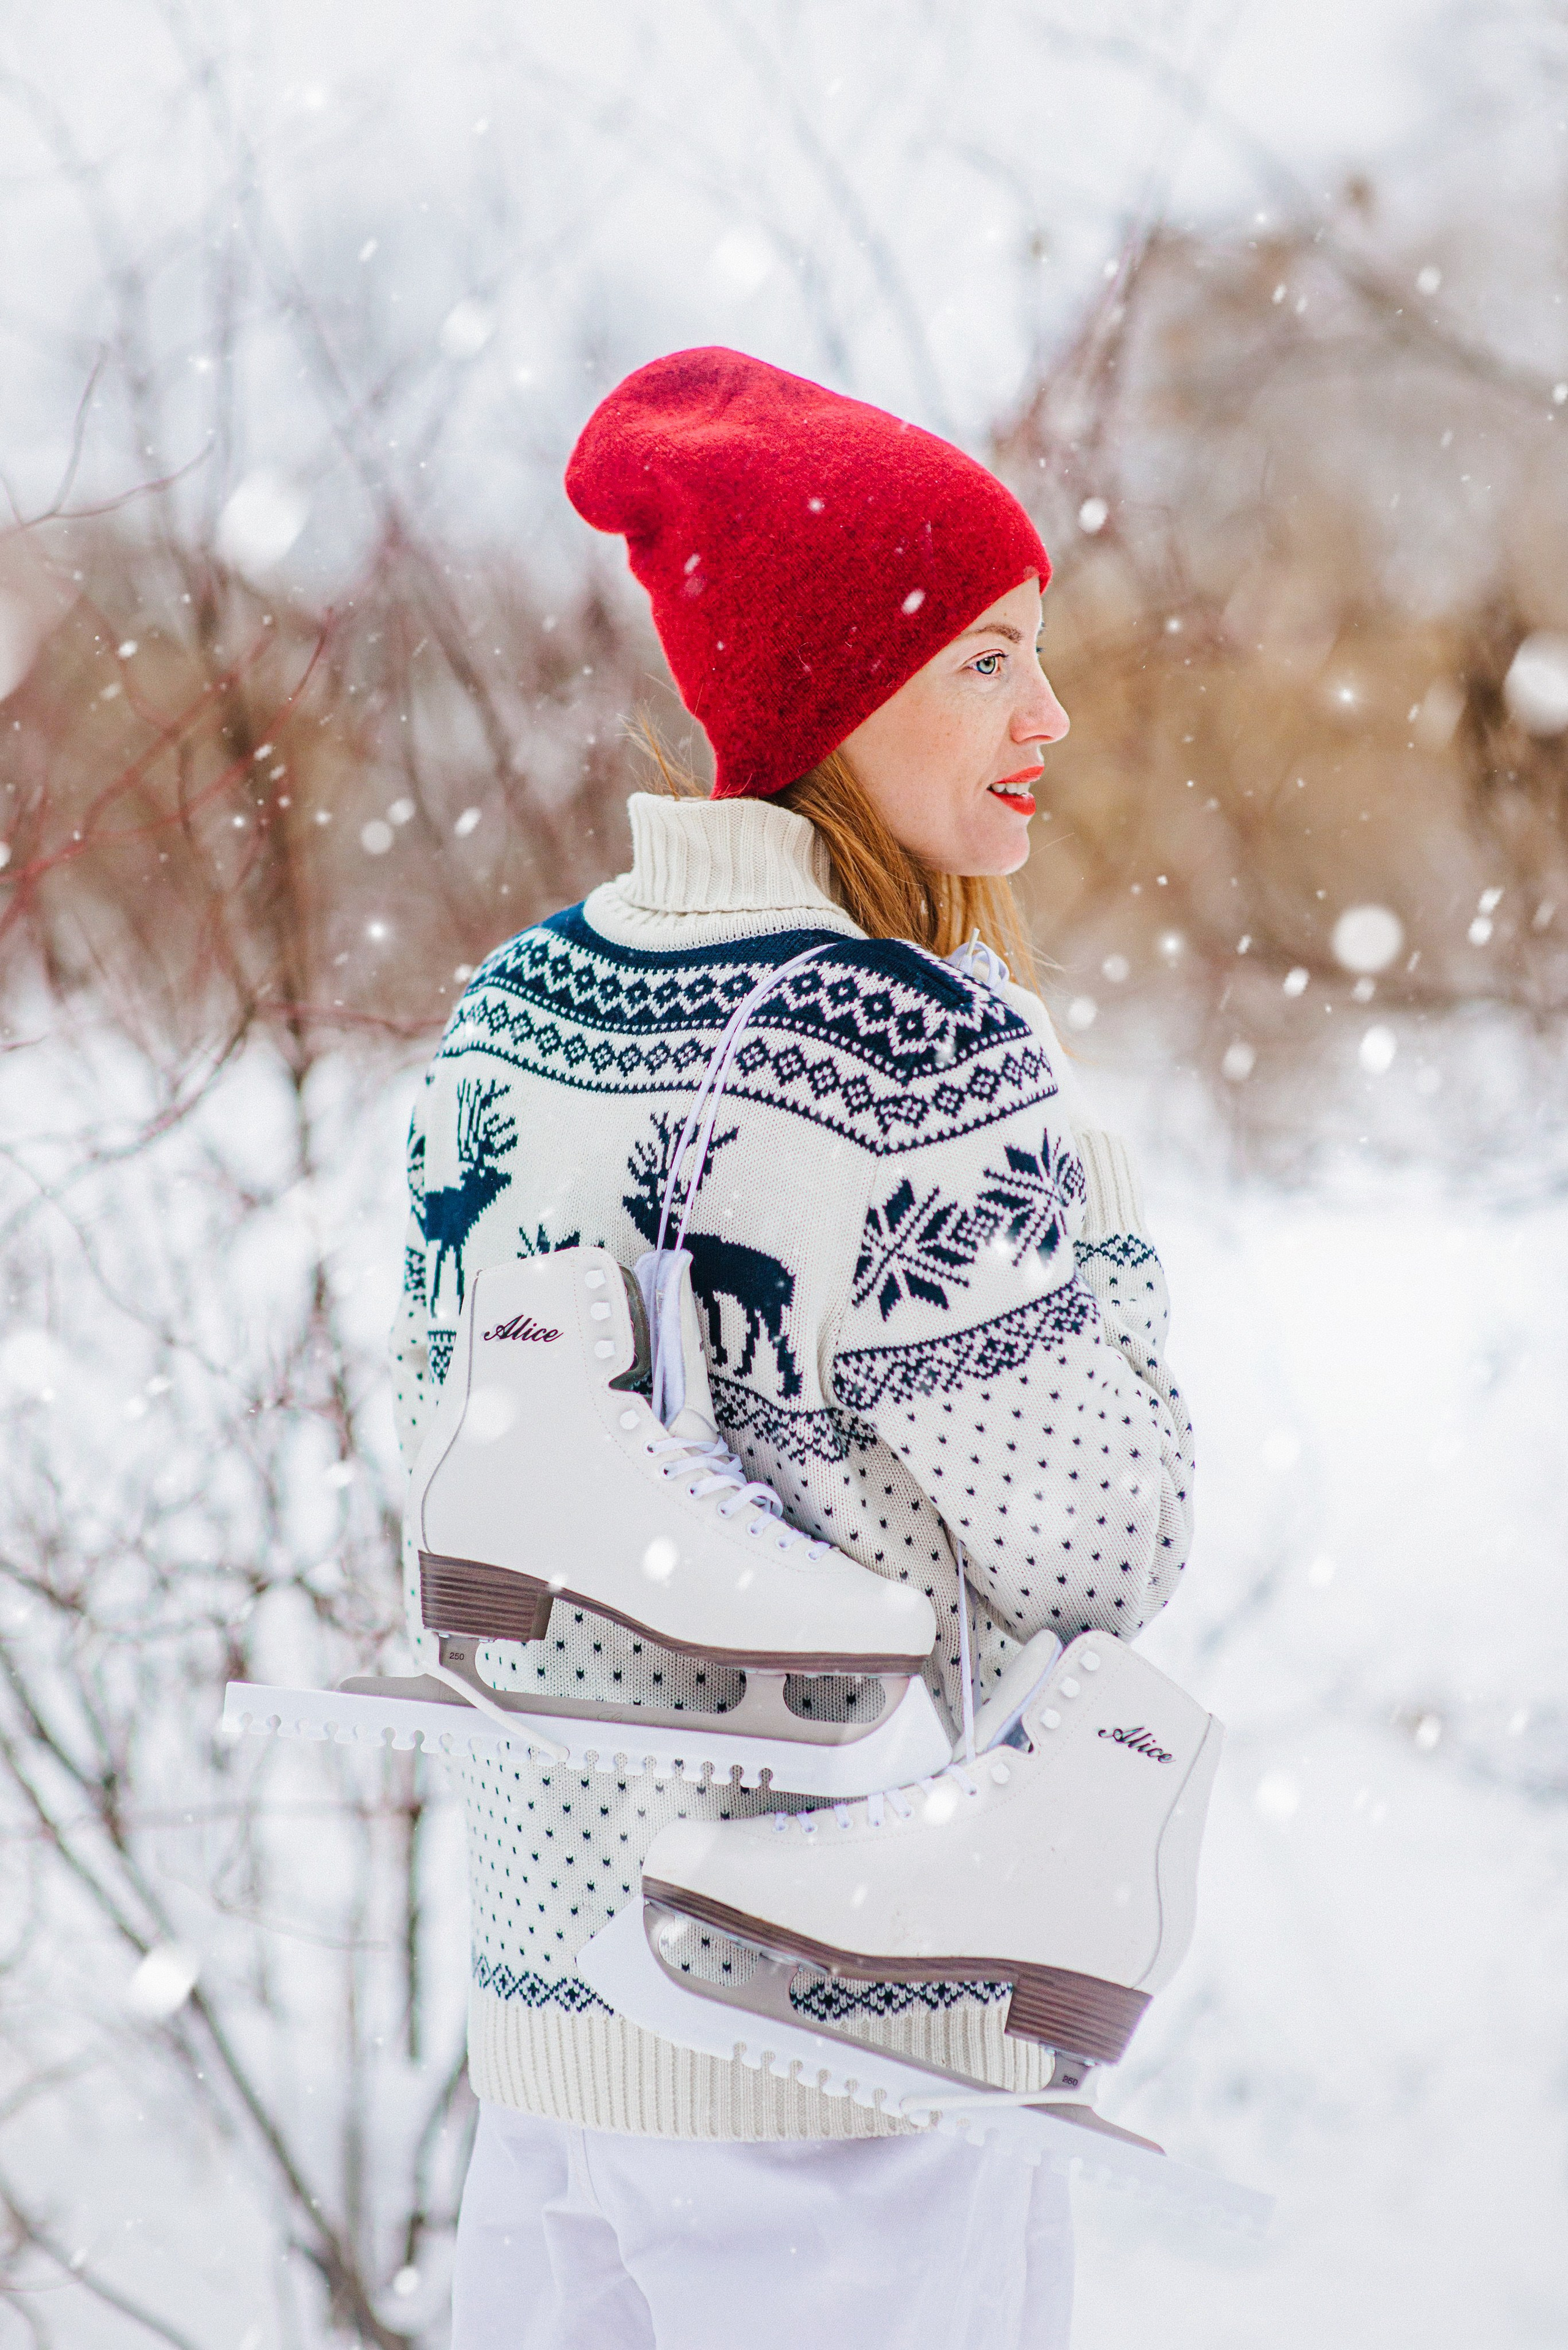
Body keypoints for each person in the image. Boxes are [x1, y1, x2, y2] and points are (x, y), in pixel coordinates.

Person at [391, 347, 1195, 2350]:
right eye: (989, 661)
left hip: (551, 2026)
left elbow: (455, 1500)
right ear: (845, 697)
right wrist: (1098, 1212)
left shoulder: (506, 1016)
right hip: (839, 2049)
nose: (1051, 716)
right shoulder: (921, 1051)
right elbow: (1106, 1544)